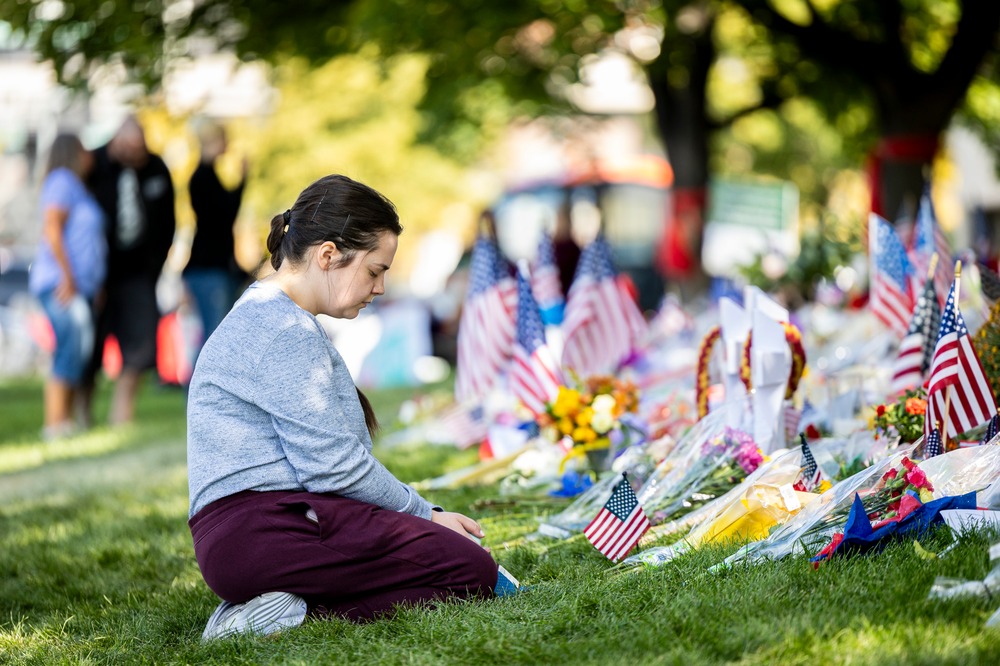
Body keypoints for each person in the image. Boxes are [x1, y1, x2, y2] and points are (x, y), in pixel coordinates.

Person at [187, 174, 507, 639]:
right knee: (468, 570)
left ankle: (281, 604)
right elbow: (333, 468)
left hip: (268, 529)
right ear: (328, 255)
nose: (379, 287)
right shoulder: (282, 330)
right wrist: (424, 514)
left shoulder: (276, 317)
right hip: (264, 531)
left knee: (457, 561)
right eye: (375, 270)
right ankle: (270, 617)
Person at [82, 116, 176, 426]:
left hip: (140, 272)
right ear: (115, 142)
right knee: (90, 345)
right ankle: (82, 414)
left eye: (140, 149)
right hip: (99, 273)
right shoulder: (93, 165)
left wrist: (155, 267)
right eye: (129, 149)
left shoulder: (156, 168)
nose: (136, 155)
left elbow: (168, 223)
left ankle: (121, 416)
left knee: (141, 344)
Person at [28, 133, 107, 440]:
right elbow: (52, 228)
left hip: (80, 286)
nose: (91, 155)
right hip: (61, 283)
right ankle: (54, 424)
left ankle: (66, 421)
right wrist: (69, 277)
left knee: (79, 349)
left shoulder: (78, 188)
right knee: (69, 347)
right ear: (72, 151)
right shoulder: (61, 180)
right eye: (85, 149)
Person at [183, 121, 249, 359]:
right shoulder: (202, 178)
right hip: (208, 268)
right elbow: (224, 215)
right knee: (214, 333)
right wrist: (242, 180)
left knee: (216, 331)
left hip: (215, 266)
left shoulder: (208, 177)